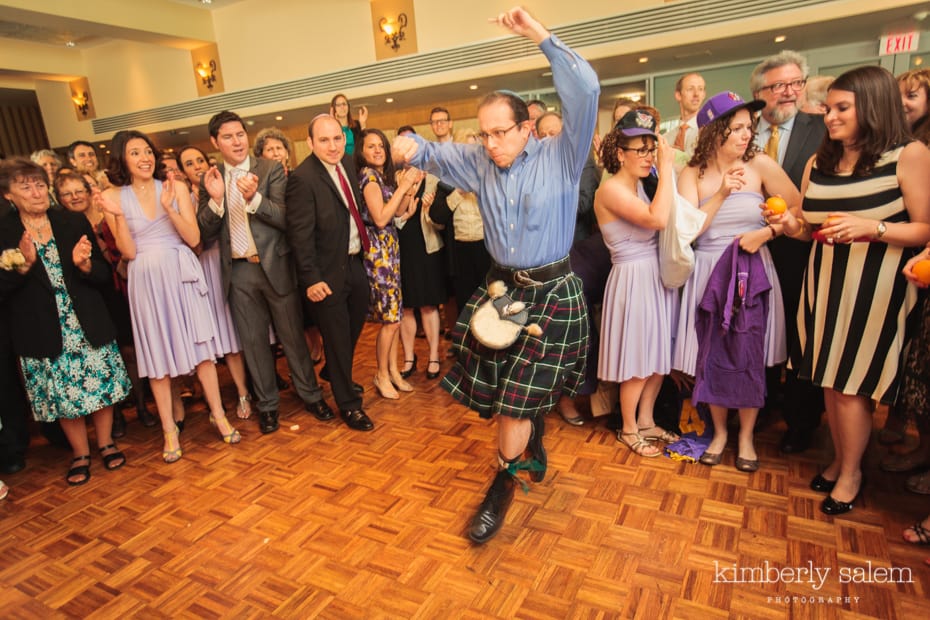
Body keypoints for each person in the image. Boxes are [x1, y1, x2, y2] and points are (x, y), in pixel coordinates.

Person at [391, 6, 599, 544]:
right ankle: (527, 438)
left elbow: (586, 91)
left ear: (526, 128)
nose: (490, 144)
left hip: (553, 291)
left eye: (500, 133)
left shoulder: (562, 154)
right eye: (483, 135)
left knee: (513, 402)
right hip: (503, 290)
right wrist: (409, 145)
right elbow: (434, 152)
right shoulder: (480, 162)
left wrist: (540, 37)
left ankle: (501, 484)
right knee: (508, 394)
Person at [771, 65, 930, 514]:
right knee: (826, 379)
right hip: (822, 282)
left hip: (873, 287)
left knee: (851, 387)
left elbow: (923, 228)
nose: (830, 118)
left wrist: (873, 227)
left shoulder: (908, 155)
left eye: (843, 108)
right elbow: (809, 227)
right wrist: (789, 224)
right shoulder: (818, 162)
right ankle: (840, 461)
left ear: (873, 108)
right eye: (829, 108)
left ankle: (853, 472)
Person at [98, 130, 241, 463]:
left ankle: (219, 416)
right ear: (122, 159)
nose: (145, 158)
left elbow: (193, 237)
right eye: (135, 153)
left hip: (181, 270)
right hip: (145, 278)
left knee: (202, 351)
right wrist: (117, 217)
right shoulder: (112, 197)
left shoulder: (174, 187)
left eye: (147, 151)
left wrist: (170, 209)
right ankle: (168, 430)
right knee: (158, 358)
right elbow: (129, 251)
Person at [673, 92, 799, 471]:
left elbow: (797, 210)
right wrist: (723, 192)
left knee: (748, 356)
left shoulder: (760, 165)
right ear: (713, 132)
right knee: (712, 355)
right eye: (737, 128)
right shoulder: (692, 174)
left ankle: (745, 436)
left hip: (752, 269)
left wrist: (770, 232)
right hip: (709, 271)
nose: (746, 134)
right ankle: (720, 432)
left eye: (749, 127)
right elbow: (687, 232)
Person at [197, 110, 334, 435]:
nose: (237, 141)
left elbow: (287, 218)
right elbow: (204, 231)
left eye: (240, 134)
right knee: (254, 343)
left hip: (275, 265)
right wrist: (217, 201)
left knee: (292, 338)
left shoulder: (270, 169)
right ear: (215, 143)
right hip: (239, 272)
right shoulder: (212, 177)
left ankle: (311, 395)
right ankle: (268, 406)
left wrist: (253, 198)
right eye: (228, 137)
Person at [0, 158, 130, 485]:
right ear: (8, 195)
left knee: (98, 384)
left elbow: (103, 273)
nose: (36, 192)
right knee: (61, 395)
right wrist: (23, 267)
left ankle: (106, 443)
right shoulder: (4, 231)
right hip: (40, 326)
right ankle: (81, 453)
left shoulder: (71, 222)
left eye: (40, 184)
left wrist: (84, 265)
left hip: (84, 319)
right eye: (25, 186)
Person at [750, 50, 828, 454]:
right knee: (756, 332)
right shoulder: (740, 131)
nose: (789, 93)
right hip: (749, 254)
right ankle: (757, 405)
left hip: (801, 254)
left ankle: (801, 421)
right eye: (779, 85)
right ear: (759, 92)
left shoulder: (823, 130)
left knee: (800, 338)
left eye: (796, 83)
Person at [594, 110, 677, 456]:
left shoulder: (643, 186)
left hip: (653, 276)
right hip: (631, 278)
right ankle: (628, 428)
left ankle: (646, 420)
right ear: (619, 154)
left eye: (651, 149)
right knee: (636, 361)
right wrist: (669, 165)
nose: (648, 157)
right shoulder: (610, 190)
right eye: (640, 150)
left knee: (657, 358)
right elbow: (657, 219)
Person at [286, 114, 373, 431]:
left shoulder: (347, 163)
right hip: (325, 274)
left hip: (353, 262)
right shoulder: (302, 178)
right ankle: (349, 406)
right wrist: (311, 279)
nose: (332, 146)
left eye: (337, 138)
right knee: (336, 339)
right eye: (324, 140)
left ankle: (335, 372)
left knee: (355, 325)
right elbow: (299, 236)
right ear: (309, 143)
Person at [55, 171, 155, 433]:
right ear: (59, 198)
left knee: (131, 352)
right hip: (91, 295)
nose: (76, 197)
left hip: (120, 289)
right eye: (68, 193)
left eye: (80, 190)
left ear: (89, 193)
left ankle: (142, 405)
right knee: (107, 355)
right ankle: (118, 415)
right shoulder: (62, 226)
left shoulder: (108, 214)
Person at [877, 67, 930, 493]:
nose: (904, 103)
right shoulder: (890, 146)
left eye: (912, 95)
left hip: (912, 254)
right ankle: (915, 439)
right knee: (916, 365)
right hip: (912, 265)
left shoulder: (917, 150)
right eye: (900, 96)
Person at [177, 145, 253, 422]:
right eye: (189, 163)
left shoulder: (222, 184)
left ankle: (249, 389)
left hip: (228, 261)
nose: (197, 166)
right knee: (222, 336)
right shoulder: (183, 198)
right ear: (182, 172)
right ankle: (231, 396)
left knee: (239, 330)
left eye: (200, 159)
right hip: (203, 269)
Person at [355, 128, 422, 398]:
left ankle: (393, 371)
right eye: (371, 146)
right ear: (361, 151)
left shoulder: (381, 176)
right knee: (390, 320)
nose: (378, 150)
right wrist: (403, 188)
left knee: (393, 318)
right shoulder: (368, 177)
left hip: (390, 250)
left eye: (381, 145)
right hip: (377, 255)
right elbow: (381, 218)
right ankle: (381, 374)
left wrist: (409, 189)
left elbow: (401, 213)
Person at [658, 72, 706, 162]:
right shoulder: (666, 139)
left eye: (700, 89)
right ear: (678, 95)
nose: (696, 94)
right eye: (690, 89)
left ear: (704, 95)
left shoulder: (708, 133)